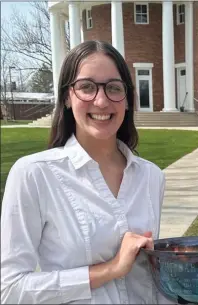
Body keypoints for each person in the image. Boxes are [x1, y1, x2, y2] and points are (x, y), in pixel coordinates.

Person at [1, 40, 172, 304]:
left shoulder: (151, 177)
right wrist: (109, 269)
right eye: (86, 87)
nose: (101, 101)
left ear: (127, 99)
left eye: (114, 88)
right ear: (67, 97)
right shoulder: (34, 175)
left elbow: (148, 283)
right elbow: (10, 289)